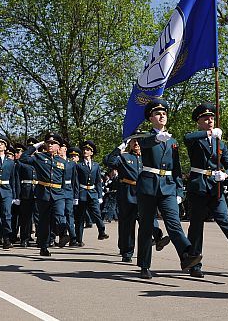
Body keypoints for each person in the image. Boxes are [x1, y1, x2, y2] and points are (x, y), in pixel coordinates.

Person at [183, 103, 228, 278]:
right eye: (206, 118)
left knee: (225, 219)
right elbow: (187, 137)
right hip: (199, 186)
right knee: (196, 226)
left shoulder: (220, 142)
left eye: (212, 118)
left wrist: (225, 175)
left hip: (215, 186)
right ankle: (195, 263)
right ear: (199, 122)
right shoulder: (196, 139)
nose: (210, 121)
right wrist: (209, 133)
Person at [135, 99, 201, 279]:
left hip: (169, 186)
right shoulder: (144, 136)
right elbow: (144, 144)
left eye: (164, 113)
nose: (162, 115)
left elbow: (177, 167)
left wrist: (180, 190)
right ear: (150, 118)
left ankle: (188, 255)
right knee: (146, 227)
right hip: (149, 185)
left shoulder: (172, 140)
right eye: (157, 113)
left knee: (174, 224)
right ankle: (144, 265)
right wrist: (156, 138)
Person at [103, 131, 171, 263]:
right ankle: (127, 251)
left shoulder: (147, 157)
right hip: (128, 193)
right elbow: (109, 161)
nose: (136, 143)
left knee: (149, 218)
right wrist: (120, 147)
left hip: (144, 192)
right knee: (127, 224)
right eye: (133, 140)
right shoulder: (124, 157)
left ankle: (158, 238)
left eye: (139, 140)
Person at [19, 134, 76, 256]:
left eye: (53, 143)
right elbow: (23, 158)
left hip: (58, 193)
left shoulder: (63, 162)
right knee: (43, 222)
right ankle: (44, 246)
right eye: (48, 143)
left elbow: (64, 180)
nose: (50, 145)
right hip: (43, 193)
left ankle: (63, 234)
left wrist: (66, 194)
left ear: (58, 147)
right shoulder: (39, 157)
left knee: (59, 213)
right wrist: (35, 146)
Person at [75, 140, 108, 245]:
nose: (85, 151)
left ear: (92, 152)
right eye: (84, 149)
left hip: (92, 192)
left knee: (97, 213)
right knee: (80, 217)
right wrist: (75, 196)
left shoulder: (96, 165)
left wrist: (99, 195)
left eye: (88, 150)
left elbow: (98, 181)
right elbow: (76, 181)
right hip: (82, 192)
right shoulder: (79, 165)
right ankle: (79, 239)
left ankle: (101, 231)